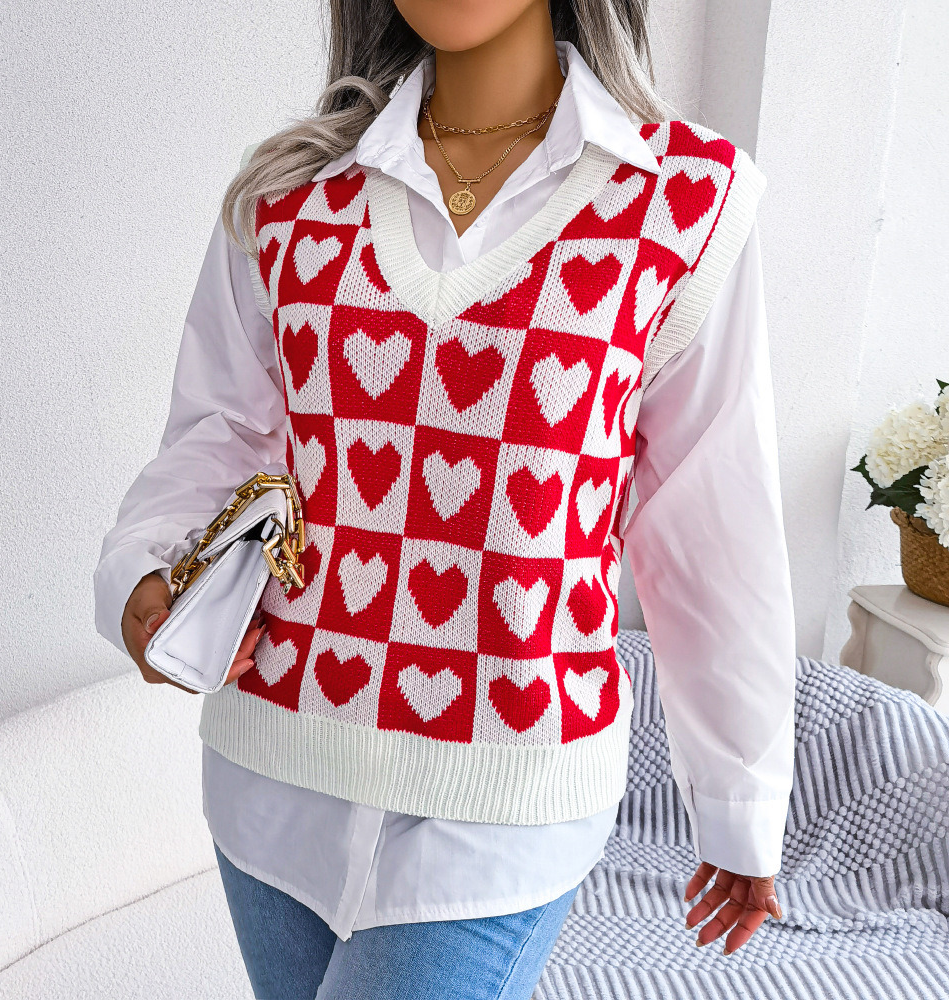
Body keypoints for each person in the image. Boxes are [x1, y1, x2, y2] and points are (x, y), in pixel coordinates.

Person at [93, 1, 797, 996]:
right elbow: (219, 435)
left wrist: (739, 801)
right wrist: (145, 575)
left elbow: (710, 521)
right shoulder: (289, 191)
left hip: (508, 791)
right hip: (273, 767)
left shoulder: (682, 201)